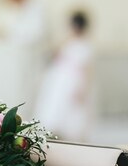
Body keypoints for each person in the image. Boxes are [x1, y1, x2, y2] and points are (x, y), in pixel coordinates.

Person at [34, 11, 94, 141]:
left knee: (72, 110)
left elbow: (86, 69)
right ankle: (55, 133)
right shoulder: (67, 41)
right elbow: (56, 54)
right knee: (56, 107)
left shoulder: (85, 45)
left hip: (74, 80)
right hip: (60, 79)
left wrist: (82, 88)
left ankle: (70, 136)